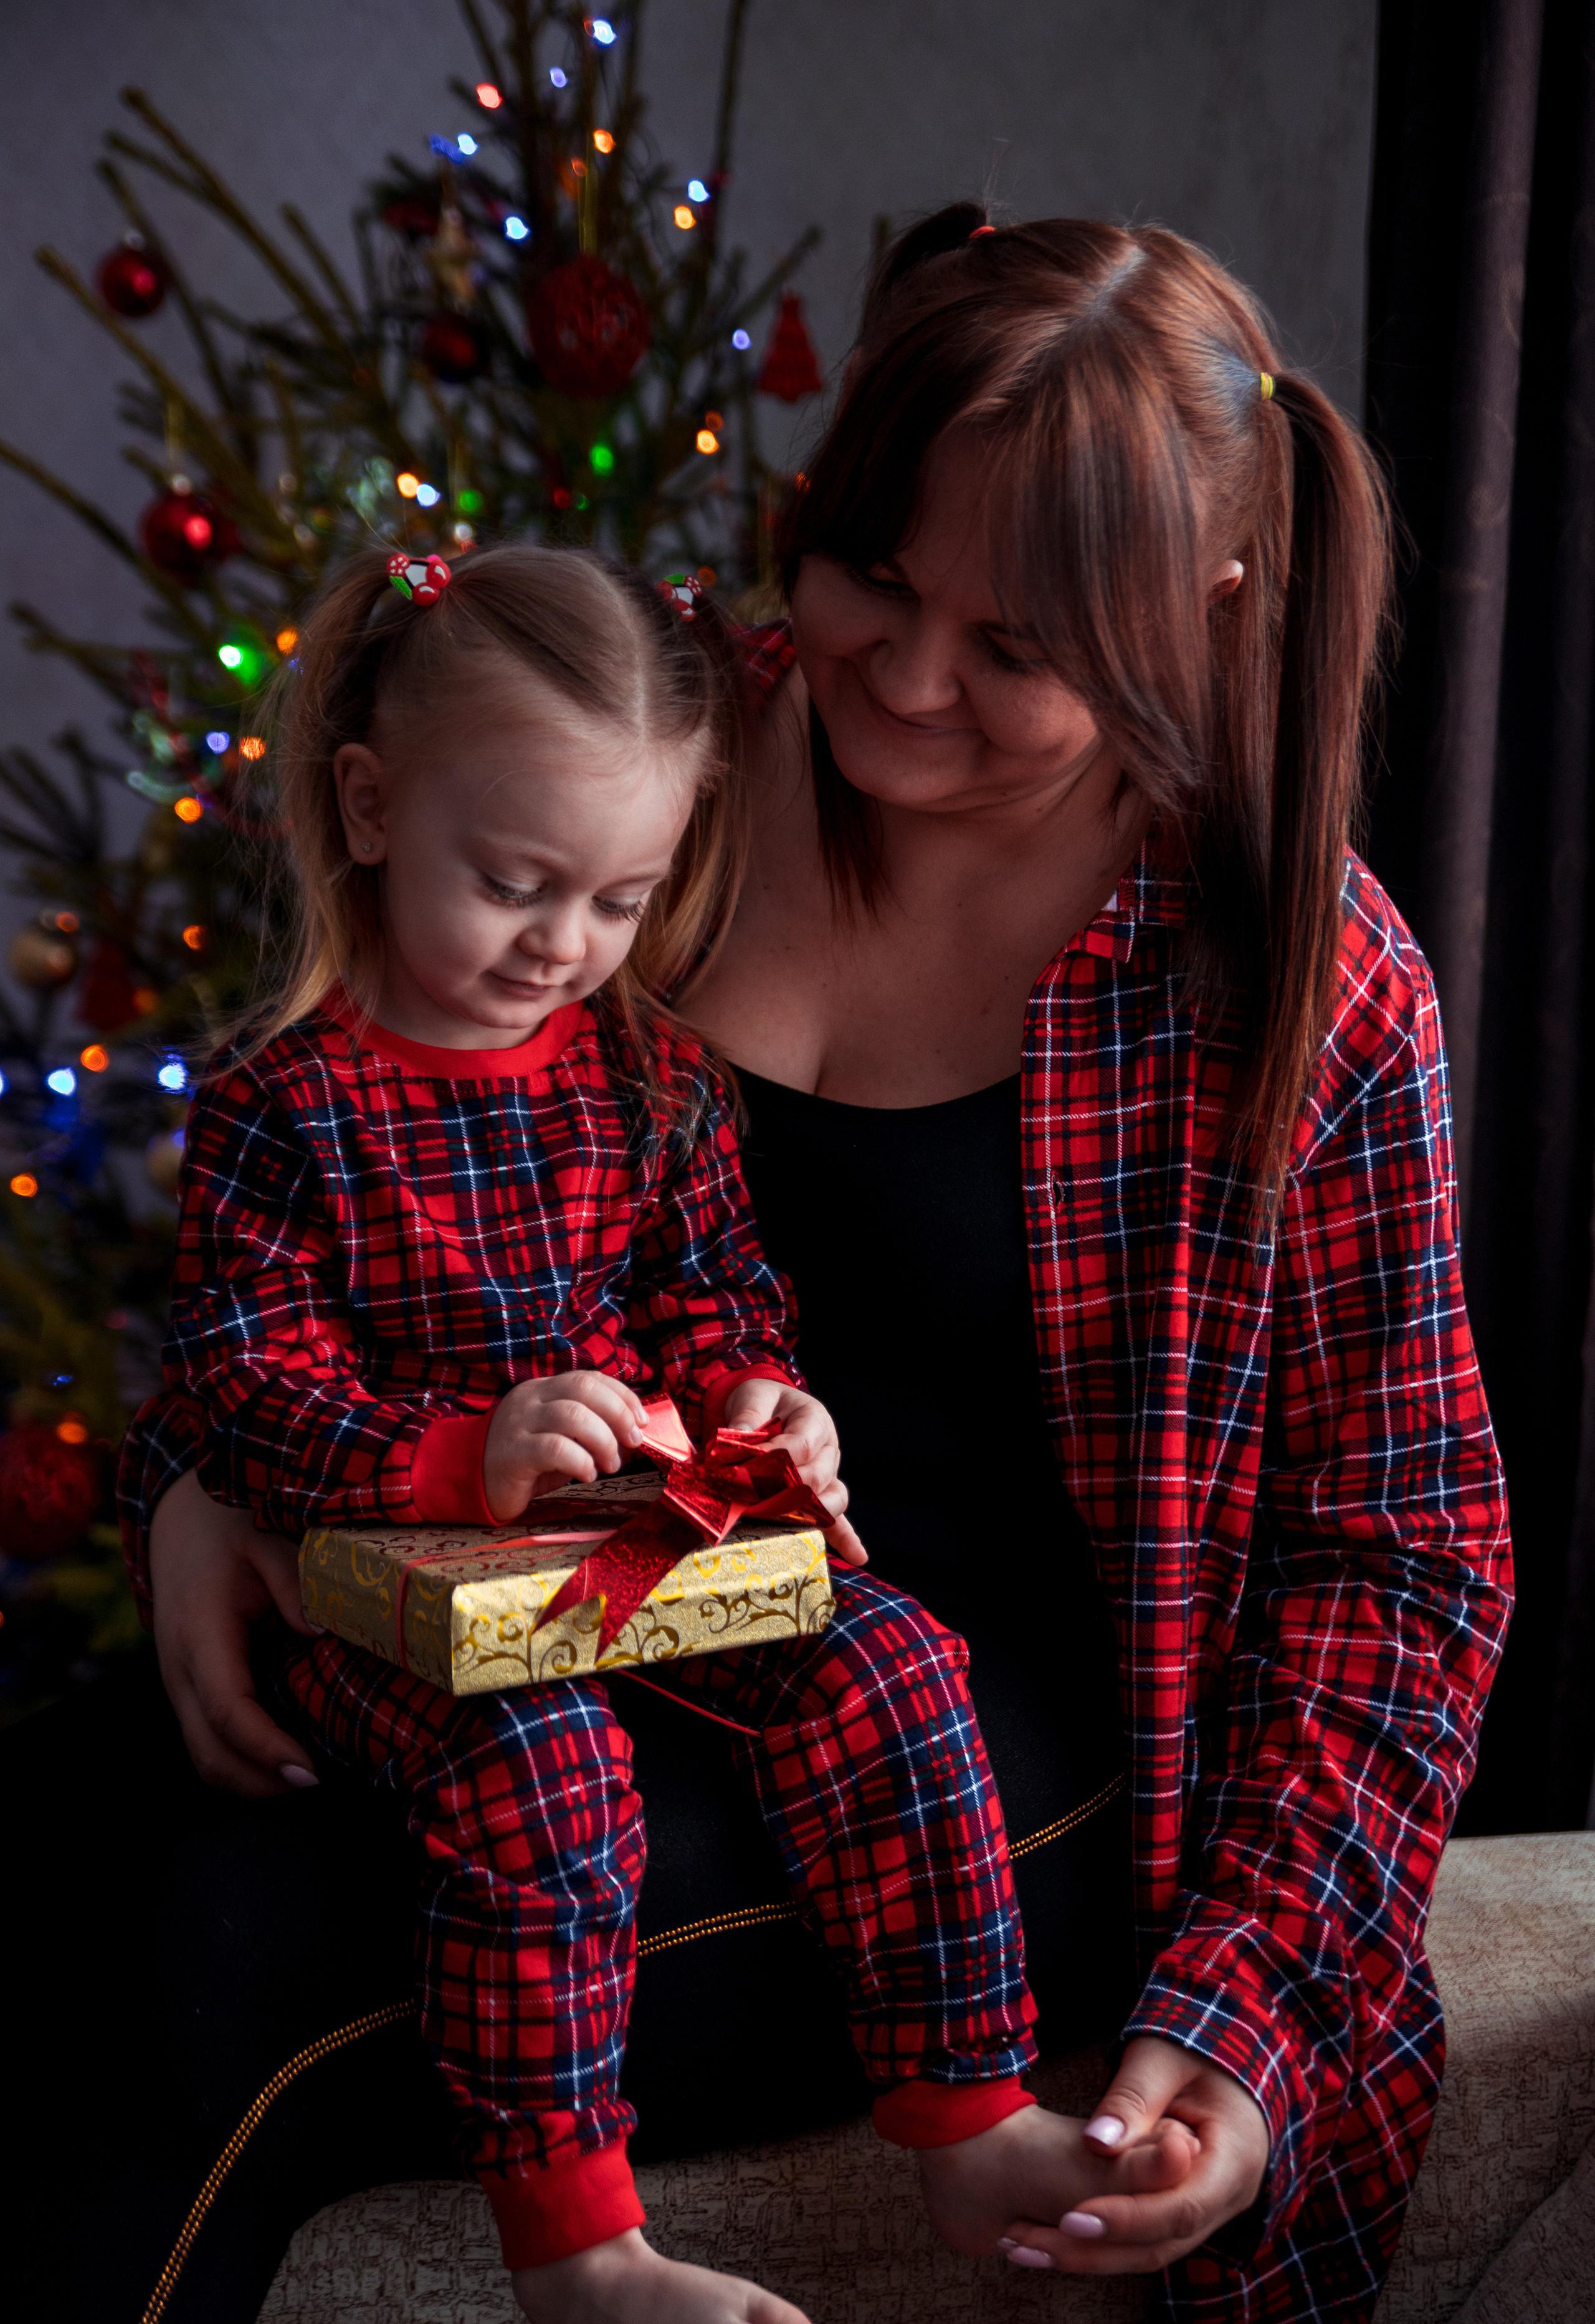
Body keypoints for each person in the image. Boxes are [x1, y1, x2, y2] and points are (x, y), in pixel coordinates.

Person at [135, 209, 1511, 2323]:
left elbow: (1401, 1567)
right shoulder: (661, 764)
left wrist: (1244, 2019)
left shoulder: (1304, 995)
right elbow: (358, 1155)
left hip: (966, 1750)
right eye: (872, 569)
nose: (907, 671)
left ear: (1205, 611)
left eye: (1021, 649)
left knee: (220, 1975)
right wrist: (218, 1485)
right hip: (559, 1583)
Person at [118, 538, 1197, 2324]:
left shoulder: (644, 1069)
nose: (564, 945)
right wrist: (461, 1452)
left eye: (618, 899)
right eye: (517, 883)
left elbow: (717, 1299)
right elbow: (240, 1377)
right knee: (542, 1780)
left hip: (638, 1534)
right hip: (392, 1587)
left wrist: (766, 1404)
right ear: (372, 807)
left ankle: (966, 2115)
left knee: (895, 1672)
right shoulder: (285, 1103)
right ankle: (581, 2252)